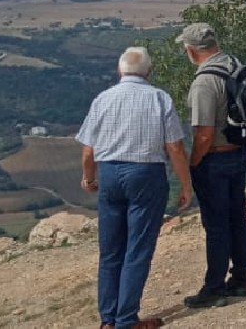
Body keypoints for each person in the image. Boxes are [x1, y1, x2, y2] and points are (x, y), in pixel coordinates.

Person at [77, 46, 193, 329]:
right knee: (137, 248)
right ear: (149, 71)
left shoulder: (102, 99)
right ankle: (126, 319)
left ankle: (107, 319)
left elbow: (88, 151)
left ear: (120, 70)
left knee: (110, 250)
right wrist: (186, 185)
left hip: (109, 173)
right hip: (146, 174)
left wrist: (89, 177)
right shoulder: (159, 98)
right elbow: (175, 148)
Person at [178, 23, 246, 308]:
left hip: (216, 159)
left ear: (191, 50)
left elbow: (204, 134)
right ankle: (242, 277)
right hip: (241, 152)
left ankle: (214, 287)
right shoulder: (236, 66)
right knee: (237, 217)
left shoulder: (204, 82)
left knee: (216, 224)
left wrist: (193, 163)